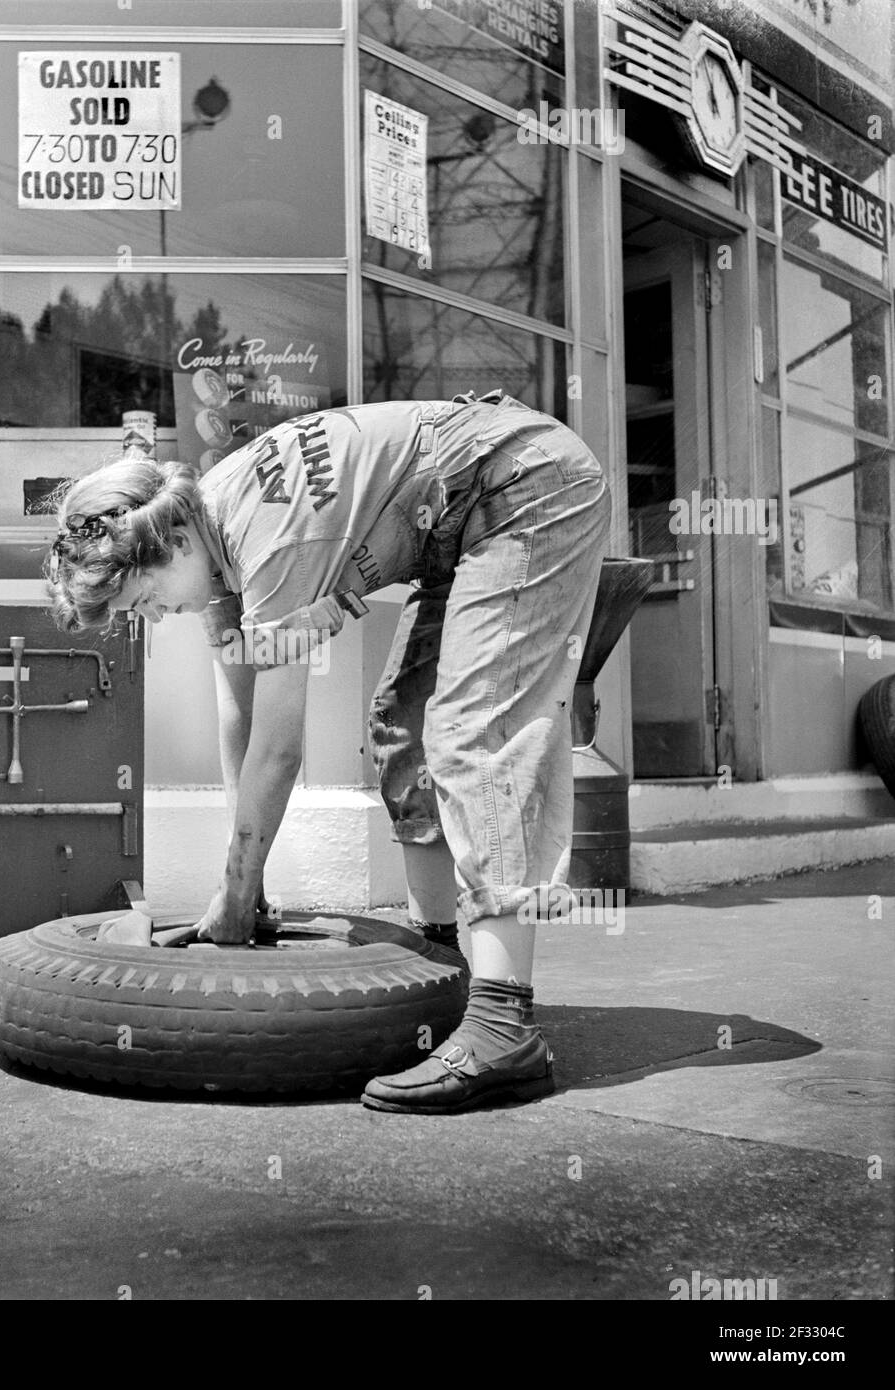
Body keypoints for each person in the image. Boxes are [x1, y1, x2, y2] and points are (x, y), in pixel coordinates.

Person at [44, 390, 610, 1114]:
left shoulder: (269, 542)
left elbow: (280, 750)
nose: (151, 619)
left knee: (475, 727)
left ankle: (505, 1025)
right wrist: (241, 884)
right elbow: (240, 713)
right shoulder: (205, 530)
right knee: (403, 724)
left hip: (530, 484)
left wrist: (238, 894)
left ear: (171, 544)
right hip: (458, 518)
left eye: (140, 600)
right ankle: (444, 963)